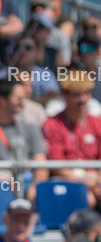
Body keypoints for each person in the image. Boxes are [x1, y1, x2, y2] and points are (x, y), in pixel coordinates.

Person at [41, 68, 101, 207]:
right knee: (86, 198)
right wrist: (85, 182)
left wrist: (98, 181)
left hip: (94, 179)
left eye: (86, 93)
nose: (83, 99)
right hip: (66, 180)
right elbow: (56, 165)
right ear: (65, 95)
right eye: (77, 95)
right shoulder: (52, 124)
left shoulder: (97, 123)